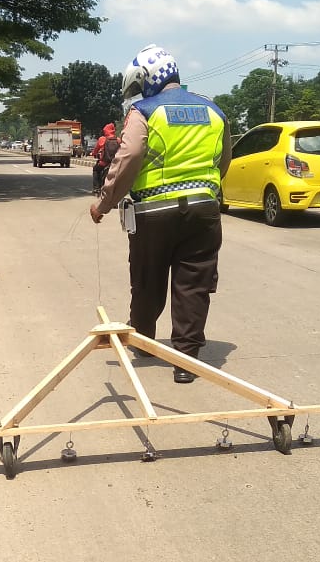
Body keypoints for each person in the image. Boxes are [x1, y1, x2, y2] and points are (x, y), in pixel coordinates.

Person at [88, 44, 232, 384]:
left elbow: (129, 157)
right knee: (193, 283)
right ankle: (186, 360)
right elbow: (223, 162)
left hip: (152, 212)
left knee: (147, 279)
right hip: (203, 210)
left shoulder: (144, 111)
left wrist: (104, 203)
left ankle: (144, 342)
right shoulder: (214, 111)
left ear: (147, 78)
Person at [90, 122, 119, 194]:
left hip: (104, 163)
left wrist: (93, 153)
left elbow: (96, 150)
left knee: (96, 169)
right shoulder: (118, 140)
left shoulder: (102, 139)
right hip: (115, 163)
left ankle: (96, 188)